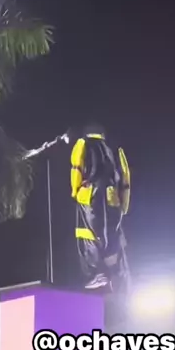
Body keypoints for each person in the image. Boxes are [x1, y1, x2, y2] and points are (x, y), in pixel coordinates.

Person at [70, 124, 131, 291]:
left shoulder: (83, 143)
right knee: (112, 233)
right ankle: (115, 273)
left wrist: (75, 191)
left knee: (87, 232)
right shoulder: (115, 148)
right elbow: (125, 175)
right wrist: (124, 204)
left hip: (89, 194)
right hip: (112, 196)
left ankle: (96, 273)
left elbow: (76, 167)